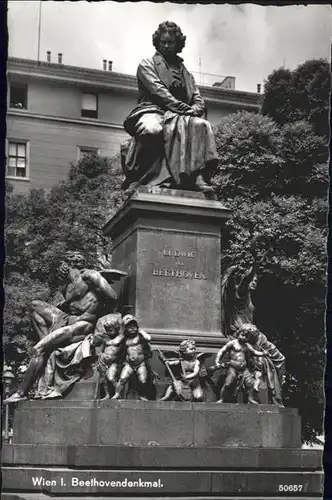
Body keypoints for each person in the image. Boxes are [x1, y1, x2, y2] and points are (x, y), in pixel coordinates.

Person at [4, 252, 121, 403]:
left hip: (83, 324)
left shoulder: (90, 276)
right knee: (34, 306)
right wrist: (64, 306)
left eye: (61, 265)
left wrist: (102, 317)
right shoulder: (67, 286)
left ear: (68, 264)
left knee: (38, 349)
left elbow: (113, 297)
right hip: (66, 319)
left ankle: (22, 392)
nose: (59, 269)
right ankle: (48, 342)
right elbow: (70, 306)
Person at [121, 21, 219, 194]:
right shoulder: (146, 64)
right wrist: (185, 109)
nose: (166, 46)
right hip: (152, 110)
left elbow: (197, 97)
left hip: (180, 116)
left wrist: (196, 108)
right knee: (152, 129)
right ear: (157, 42)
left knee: (203, 126)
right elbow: (159, 93)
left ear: (177, 44)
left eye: (170, 42)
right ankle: (141, 178)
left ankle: (197, 176)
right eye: (163, 42)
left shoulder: (185, 72)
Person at [215, 327, 268, 404]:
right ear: (238, 333)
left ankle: (250, 398)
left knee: (250, 383)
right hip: (233, 367)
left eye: (247, 337)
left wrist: (263, 353)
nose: (244, 337)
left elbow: (254, 352)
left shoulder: (247, 345)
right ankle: (221, 398)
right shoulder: (233, 343)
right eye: (242, 335)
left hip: (244, 368)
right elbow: (222, 351)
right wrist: (217, 361)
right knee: (227, 383)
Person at [242, 323, 285, 406]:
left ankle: (277, 390)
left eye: (256, 335)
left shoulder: (260, 338)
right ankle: (275, 392)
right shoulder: (243, 341)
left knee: (280, 360)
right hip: (256, 363)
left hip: (265, 351)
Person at [111, 315, 153, 400]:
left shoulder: (140, 336)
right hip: (129, 364)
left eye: (134, 326)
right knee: (122, 378)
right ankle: (117, 394)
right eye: (129, 327)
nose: (132, 328)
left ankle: (143, 395)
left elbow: (148, 338)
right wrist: (122, 333)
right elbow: (116, 342)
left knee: (143, 380)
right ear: (125, 328)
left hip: (141, 363)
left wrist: (142, 331)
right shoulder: (125, 338)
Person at [92, 313, 125, 400]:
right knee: (104, 380)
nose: (109, 332)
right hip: (103, 362)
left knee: (111, 377)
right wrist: (100, 356)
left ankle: (118, 393)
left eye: (110, 330)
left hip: (114, 362)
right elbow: (102, 349)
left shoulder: (121, 338)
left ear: (117, 328)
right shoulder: (105, 338)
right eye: (107, 330)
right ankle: (107, 395)